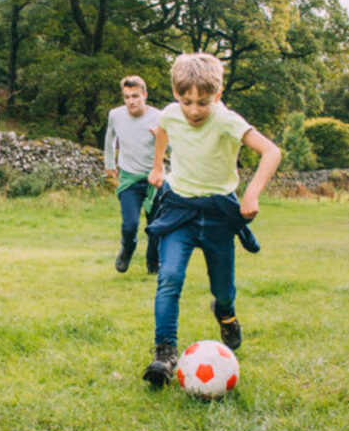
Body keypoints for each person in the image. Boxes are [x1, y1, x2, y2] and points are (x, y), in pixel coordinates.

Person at [142, 53, 281, 387]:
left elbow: (271, 152)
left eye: (202, 102)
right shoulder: (171, 114)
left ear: (217, 96)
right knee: (170, 276)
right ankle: (164, 353)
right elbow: (162, 130)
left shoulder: (227, 120)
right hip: (179, 211)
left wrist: (251, 194)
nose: (193, 110)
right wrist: (158, 166)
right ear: (176, 95)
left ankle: (226, 315)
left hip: (219, 213)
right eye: (186, 100)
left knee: (223, 289)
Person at [103, 75, 161, 274]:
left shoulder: (160, 117)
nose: (131, 101)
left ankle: (153, 263)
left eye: (135, 96)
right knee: (130, 224)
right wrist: (109, 163)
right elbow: (109, 138)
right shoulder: (116, 115)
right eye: (127, 97)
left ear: (144, 95)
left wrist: (162, 137)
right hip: (129, 178)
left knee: (155, 227)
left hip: (155, 179)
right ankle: (128, 248)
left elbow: (174, 145)